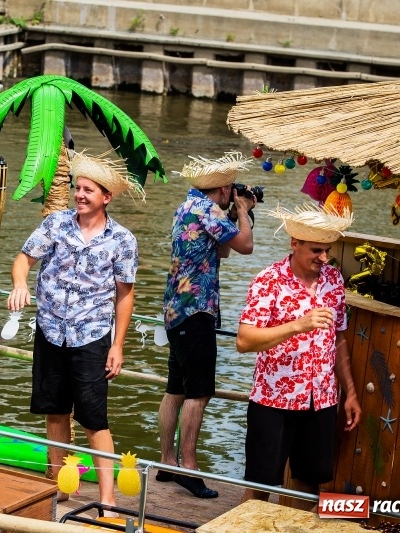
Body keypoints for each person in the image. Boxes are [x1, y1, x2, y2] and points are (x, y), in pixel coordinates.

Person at [6, 150, 141, 509]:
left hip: (92, 335)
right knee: (54, 410)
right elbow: (23, 260)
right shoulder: (55, 224)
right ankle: (59, 483)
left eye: (88, 191)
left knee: (94, 418)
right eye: (76, 188)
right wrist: (20, 283)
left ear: (106, 197)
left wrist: (118, 345)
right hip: (51, 329)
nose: (79, 195)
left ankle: (108, 497)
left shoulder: (122, 240)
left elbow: (125, 297)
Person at [236, 203, 361, 509]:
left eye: (327, 250)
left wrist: (351, 393)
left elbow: (339, 339)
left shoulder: (334, 280)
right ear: (295, 244)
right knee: (260, 484)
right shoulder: (268, 281)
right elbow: (244, 340)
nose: (324, 258)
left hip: (321, 399)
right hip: (273, 400)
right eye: (316, 250)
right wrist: (297, 325)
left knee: (309, 484)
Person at [157, 152, 255, 499]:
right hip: (197, 312)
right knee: (199, 392)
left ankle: (167, 462)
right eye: (231, 191)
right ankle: (189, 467)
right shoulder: (209, 210)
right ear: (225, 188)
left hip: (175, 311)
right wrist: (243, 212)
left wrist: (234, 214)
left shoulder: (188, 206)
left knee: (176, 389)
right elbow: (245, 246)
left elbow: (223, 251)